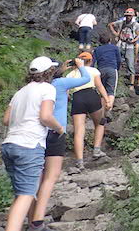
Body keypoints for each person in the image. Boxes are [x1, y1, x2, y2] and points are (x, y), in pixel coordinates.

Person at [27, 57, 90, 231]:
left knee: (36, 178)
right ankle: (37, 222)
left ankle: (29, 218)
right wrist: (80, 66)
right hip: (56, 131)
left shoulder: (36, 88)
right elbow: (85, 79)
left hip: (38, 133)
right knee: (50, 177)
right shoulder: (61, 83)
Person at [1, 57, 63, 231]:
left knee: (21, 194)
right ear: (49, 72)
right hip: (29, 145)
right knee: (27, 194)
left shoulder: (20, 92)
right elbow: (45, 116)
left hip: (9, 144)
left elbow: (6, 119)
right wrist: (59, 128)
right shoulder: (47, 88)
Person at [65, 52, 111, 171]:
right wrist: (107, 100)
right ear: (90, 61)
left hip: (77, 98)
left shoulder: (70, 74)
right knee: (100, 123)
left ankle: (79, 162)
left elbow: (66, 91)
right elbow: (100, 86)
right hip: (91, 95)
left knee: (79, 131)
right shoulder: (93, 71)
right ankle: (96, 149)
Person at [108, 8, 139, 85]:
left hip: (130, 46)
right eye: (127, 15)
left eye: (130, 15)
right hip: (120, 44)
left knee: (130, 65)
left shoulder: (136, 25)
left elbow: (138, 35)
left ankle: (131, 84)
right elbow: (110, 24)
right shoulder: (121, 22)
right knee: (116, 62)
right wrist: (116, 34)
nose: (128, 17)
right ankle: (115, 80)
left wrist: (133, 40)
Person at [92, 32, 122, 114]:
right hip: (112, 69)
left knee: (102, 91)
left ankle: (102, 112)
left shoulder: (97, 50)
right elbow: (119, 60)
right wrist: (117, 68)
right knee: (111, 91)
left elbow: (92, 62)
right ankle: (108, 110)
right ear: (110, 40)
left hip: (100, 70)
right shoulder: (114, 48)